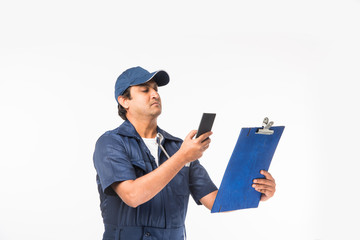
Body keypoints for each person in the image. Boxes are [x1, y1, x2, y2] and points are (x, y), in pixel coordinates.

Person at [93, 66, 276, 240]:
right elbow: (132, 196)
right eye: (145, 90)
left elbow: (215, 201)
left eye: (156, 89)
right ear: (124, 101)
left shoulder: (177, 147)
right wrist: (182, 157)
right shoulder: (111, 143)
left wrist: (256, 192)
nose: (155, 94)